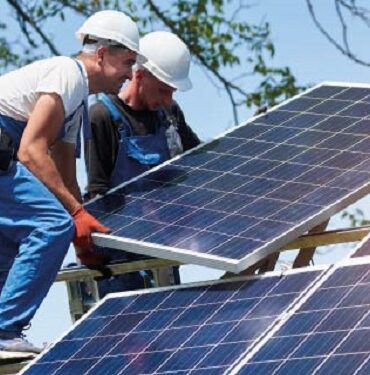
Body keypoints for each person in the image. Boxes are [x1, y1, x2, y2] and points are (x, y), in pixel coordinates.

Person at [0, 10, 141, 354]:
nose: (130, 74)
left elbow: (64, 171)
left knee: (12, 239)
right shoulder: (68, 73)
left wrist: (82, 237)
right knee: (49, 225)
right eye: (127, 63)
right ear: (102, 54)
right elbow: (32, 153)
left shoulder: (77, 100)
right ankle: (4, 331)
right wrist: (74, 216)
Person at [84, 31, 200, 294]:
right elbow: (97, 197)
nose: (168, 100)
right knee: (131, 333)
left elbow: (202, 162)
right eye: (163, 90)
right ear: (140, 75)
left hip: (164, 248)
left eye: (172, 92)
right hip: (121, 259)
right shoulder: (102, 116)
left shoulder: (169, 114)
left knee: (172, 329)